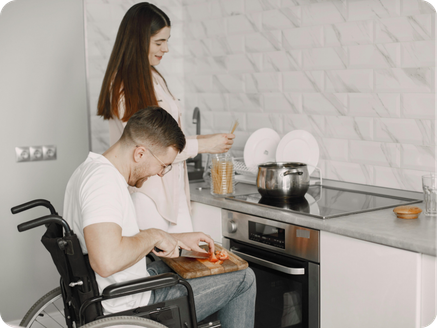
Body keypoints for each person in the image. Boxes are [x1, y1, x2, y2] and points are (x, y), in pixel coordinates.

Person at [63, 107, 256, 327]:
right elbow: (106, 262)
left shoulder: (89, 171)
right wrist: (155, 235)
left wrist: (174, 238)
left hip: (126, 289)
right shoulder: (103, 184)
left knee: (187, 264)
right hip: (131, 309)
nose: (159, 173)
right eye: (163, 166)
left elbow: (113, 242)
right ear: (140, 153)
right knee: (244, 279)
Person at [97, 2, 235, 233]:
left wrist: (203, 138)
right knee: (165, 264)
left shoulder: (154, 77)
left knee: (182, 262)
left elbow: (166, 134)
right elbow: (152, 145)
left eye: (167, 41)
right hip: (148, 194)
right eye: (159, 42)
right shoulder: (124, 87)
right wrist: (204, 145)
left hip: (172, 192)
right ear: (138, 41)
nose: (166, 49)